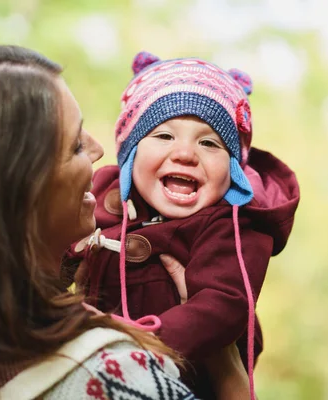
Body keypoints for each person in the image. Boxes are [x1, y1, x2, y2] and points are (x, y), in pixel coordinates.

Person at [0, 44, 248, 400]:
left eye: (208, 142)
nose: (100, 151)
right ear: (20, 192)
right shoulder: (113, 378)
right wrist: (231, 379)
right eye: (76, 145)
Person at [66, 51, 300, 400]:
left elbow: (224, 305)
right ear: (130, 154)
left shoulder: (232, 226)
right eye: (164, 136)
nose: (186, 154)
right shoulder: (104, 196)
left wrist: (146, 342)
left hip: (184, 378)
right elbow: (56, 252)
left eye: (209, 143)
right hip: (99, 371)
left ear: (233, 172)